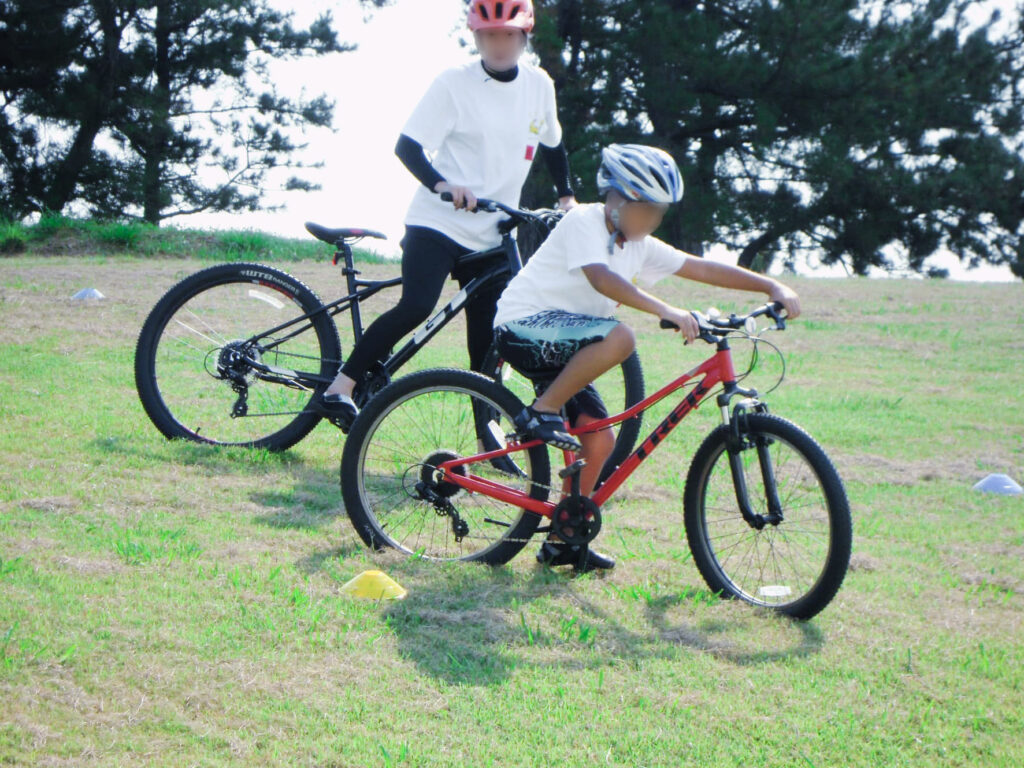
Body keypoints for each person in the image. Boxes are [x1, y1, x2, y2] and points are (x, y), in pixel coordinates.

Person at [492, 143, 802, 572]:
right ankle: (540, 411)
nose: (655, 220)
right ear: (616, 200)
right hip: (522, 328)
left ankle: (564, 540)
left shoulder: (640, 245)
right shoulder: (583, 219)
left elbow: (703, 267)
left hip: (567, 343)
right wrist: (667, 310)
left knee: (599, 441)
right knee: (622, 337)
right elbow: (601, 279)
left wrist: (771, 286)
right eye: (648, 209)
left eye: (661, 212)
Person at [317, 0, 578, 428]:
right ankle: (339, 388)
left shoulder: (539, 86)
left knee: (488, 342)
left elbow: (552, 144)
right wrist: (443, 185)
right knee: (417, 304)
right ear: (476, 36)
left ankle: (486, 440)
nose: (498, 44)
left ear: (524, 36)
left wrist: (567, 197)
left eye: (508, 35)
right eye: (489, 35)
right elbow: (408, 147)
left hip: (493, 232)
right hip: (437, 223)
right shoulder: (454, 83)